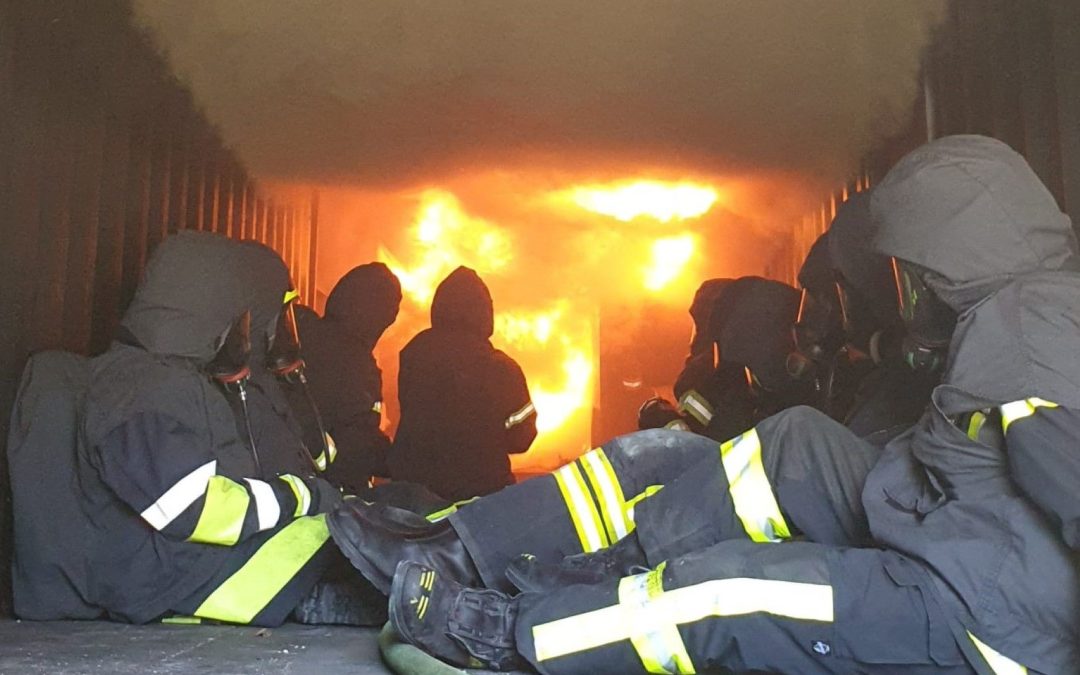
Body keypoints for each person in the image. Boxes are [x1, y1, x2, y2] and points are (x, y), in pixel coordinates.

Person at [382, 135, 1080, 673]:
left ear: (946, 266)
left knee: (728, 588)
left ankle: (507, 638)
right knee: (797, 442)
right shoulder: (1013, 312)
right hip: (956, 538)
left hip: (983, 619)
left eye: (910, 279)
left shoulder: (1031, 328)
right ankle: (613, 569)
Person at [21, 232, 344, 625]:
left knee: (366, 533)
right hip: (178, 584)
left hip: (185, 574)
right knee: (356, 545)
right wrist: (302, 496)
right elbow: (190, 507)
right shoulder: (139, 386)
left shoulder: (168, 377)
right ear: (211, 314)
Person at [389, 266, 537, 501]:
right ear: (485, 312)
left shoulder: (414, 355)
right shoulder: (501, 368)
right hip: (480, 492)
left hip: (415, 491)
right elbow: (522, 438)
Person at [285, 262, 402, 495]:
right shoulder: (358, 367)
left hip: (278, 474)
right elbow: (358, 447)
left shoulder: (298, 333)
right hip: (321, 494)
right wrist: (398, 461)